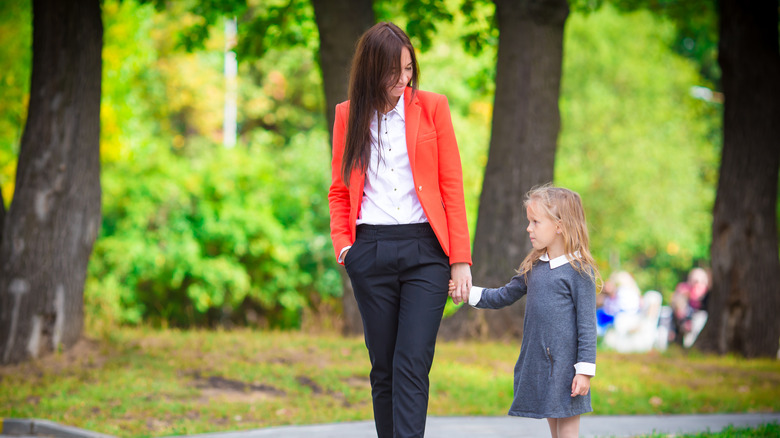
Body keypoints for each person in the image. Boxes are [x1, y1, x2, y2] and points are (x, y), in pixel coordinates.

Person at [328, 22, 472, 438]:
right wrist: (344, 249)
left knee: (412, 361)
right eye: (394, 71)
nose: (403, 79)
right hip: (369, 250)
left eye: (409, 69)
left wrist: (460, 259)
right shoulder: (347, 115)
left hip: (426, 251)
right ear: (372, 69)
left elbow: (451, 185)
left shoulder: (432, 107)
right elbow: (340, 190)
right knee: (384, 367)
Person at [451, 185, 599, 438]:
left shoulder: (579, 272)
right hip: (541, 361)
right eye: (529, 221)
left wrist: (584, 371)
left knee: (567, 431)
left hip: (567, 366)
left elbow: (587, 326)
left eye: (535, 222)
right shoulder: (534, 267)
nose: (528, 228)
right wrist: (467, 292)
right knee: (554, 426)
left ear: (559, 226)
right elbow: (502, 295)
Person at [670, 267, 710, 347]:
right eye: (695, 281)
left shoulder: (707, 295)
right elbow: (678, 309)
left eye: (701, 282)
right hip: (684, 321)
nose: (697, 284)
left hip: (698, 322)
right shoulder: (684, 291)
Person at [596, 270, 641, 336]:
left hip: (622, 316)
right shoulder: (611, 297)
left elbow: (621, 308)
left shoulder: (623, 292)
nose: (606, 288)